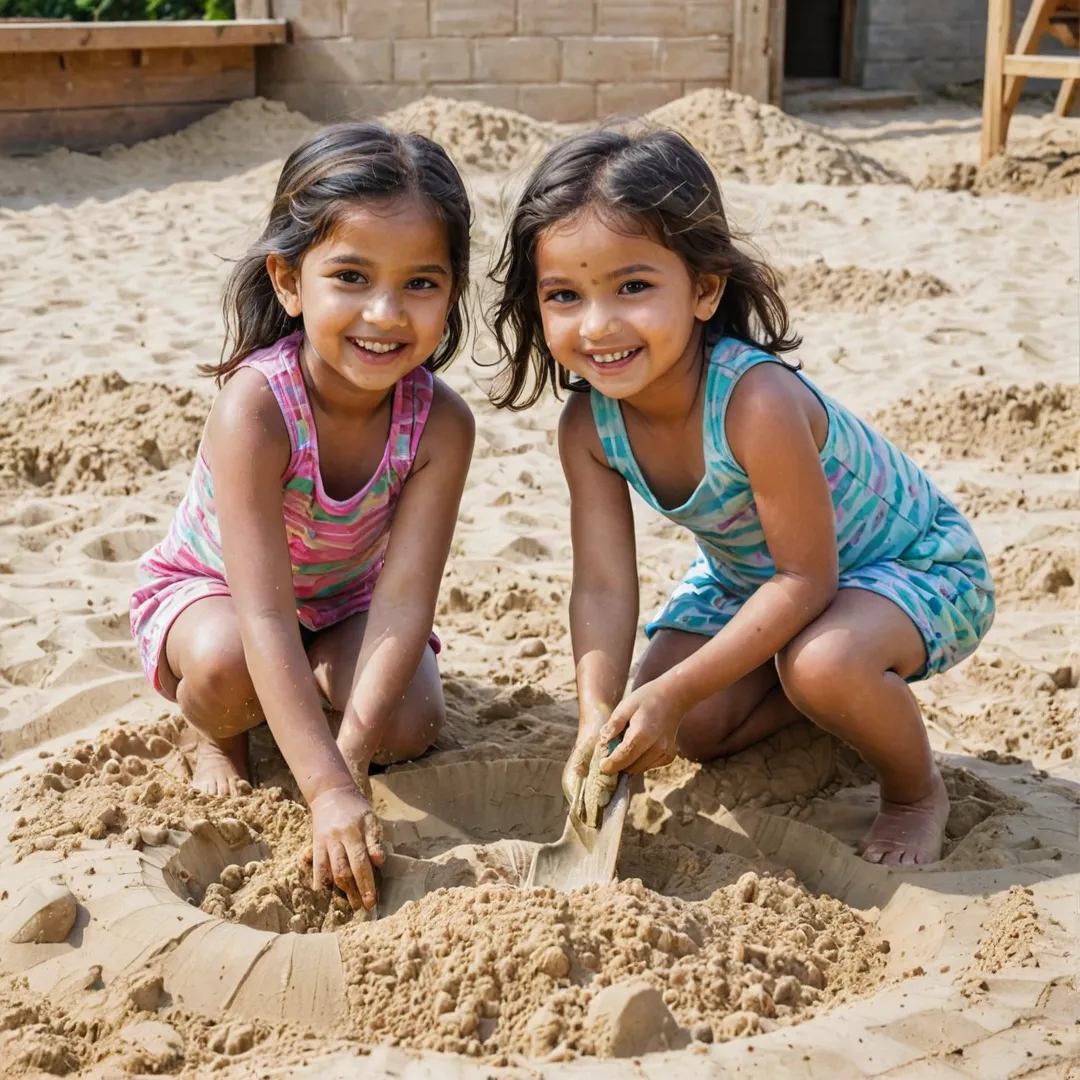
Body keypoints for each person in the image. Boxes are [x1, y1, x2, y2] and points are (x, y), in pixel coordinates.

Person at [487, 128, 994, 866]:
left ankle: (915, 789)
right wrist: (597, 708)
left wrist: (683, 686)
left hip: (909, 568)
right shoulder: (588, 427)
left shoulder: (754, 400)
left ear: (703, 287)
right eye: (565, 295)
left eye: (633, 287)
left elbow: (807, 578)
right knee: (684, 721)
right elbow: (601, 584)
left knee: (820, 666)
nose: (598, 325)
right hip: (755, 579)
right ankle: (824, 698)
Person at [130, 122, 475, 910]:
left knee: (409, 723)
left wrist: (347, 757)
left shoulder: (441, 425)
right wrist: (321, 791)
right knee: (226, 672)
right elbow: (261, 614)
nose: (385, 314)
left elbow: (404, 599)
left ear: (453, 291)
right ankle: (213, 734)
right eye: (350, 276)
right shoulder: (256, 409)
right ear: (289, 280)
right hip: (219, 597)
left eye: (421, 283)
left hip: (346, 602)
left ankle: (317, 707)